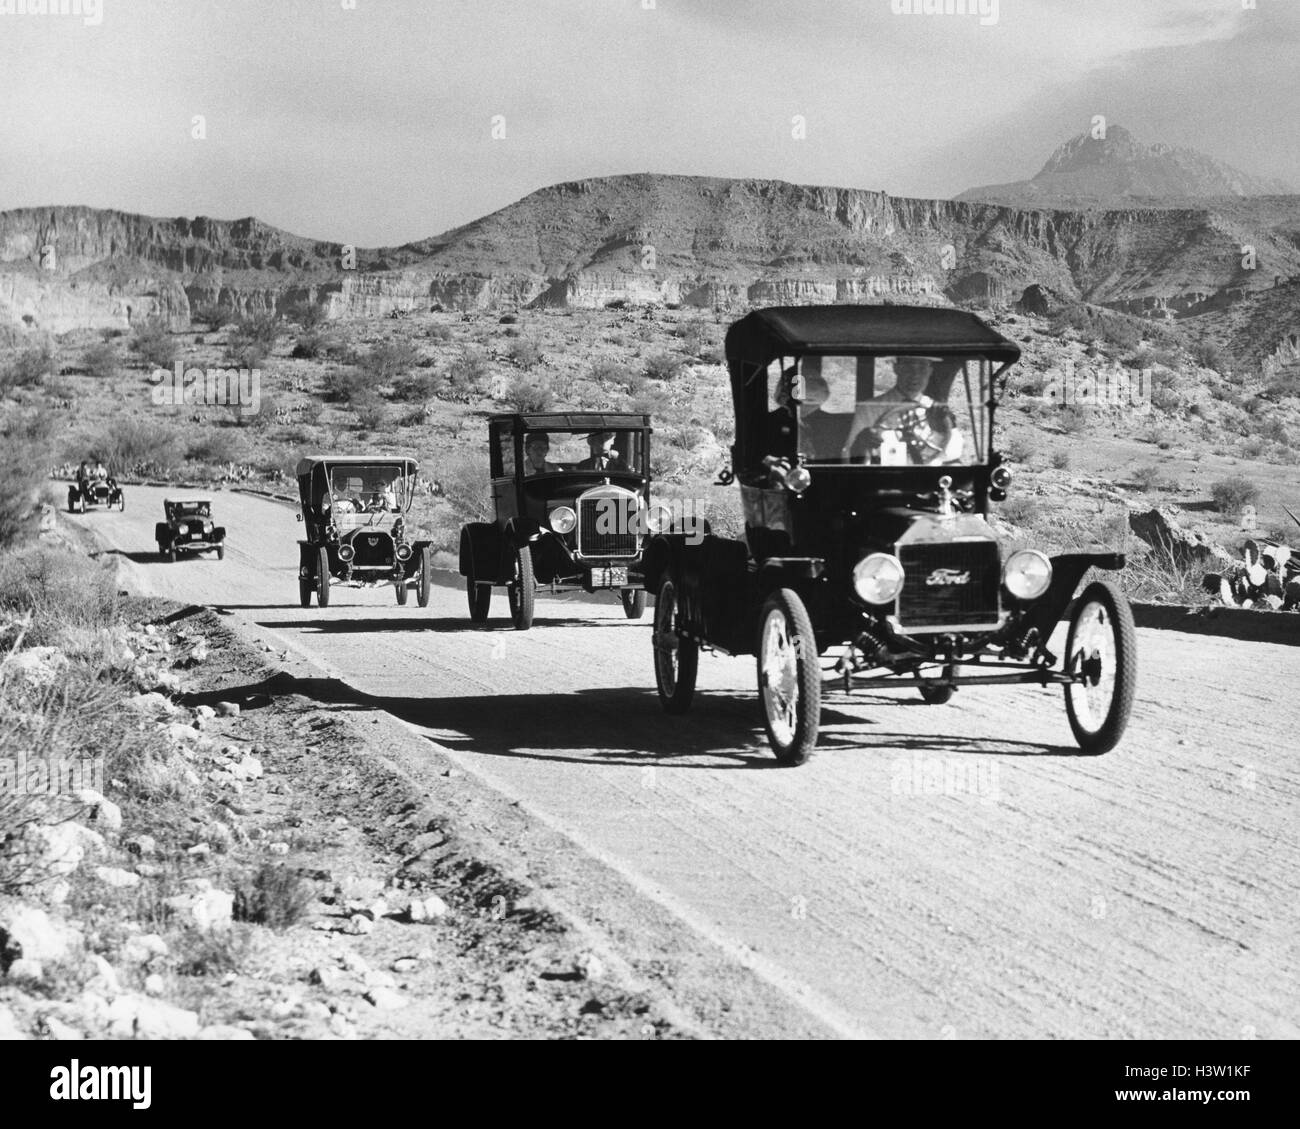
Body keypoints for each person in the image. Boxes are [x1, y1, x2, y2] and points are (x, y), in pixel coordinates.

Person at [845, 357, 961, 464]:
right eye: (908, 367)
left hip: (929, 479)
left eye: (922, 368)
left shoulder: (937, 411)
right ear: (896, 369)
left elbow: (953, 454)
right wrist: (862, 442)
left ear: (930, 371)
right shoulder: (869, 409)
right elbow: (849, 458)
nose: (915, 375)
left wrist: (939, 429)